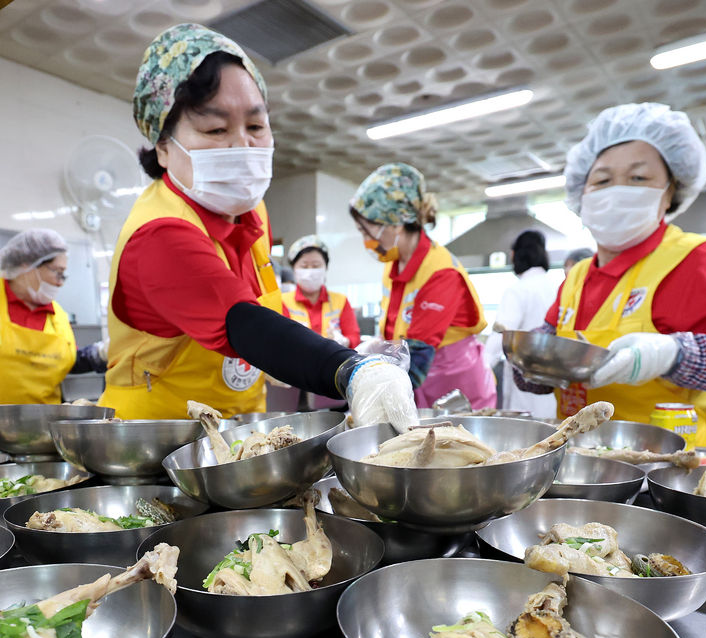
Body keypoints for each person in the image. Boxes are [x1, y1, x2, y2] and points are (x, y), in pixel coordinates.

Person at [98, 23, 415, 431]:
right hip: (156, 441)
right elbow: (242, 321)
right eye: (216, 129)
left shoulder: (252, 212)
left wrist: (312, 352)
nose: (242, 146)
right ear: (162, 147)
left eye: (255, 126)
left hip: (236, 431)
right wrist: (349, 369)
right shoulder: (159, 233)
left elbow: (263, 306)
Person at [513, 102, 706, 445]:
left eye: (638, 178)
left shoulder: (701, 261)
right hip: (578, 460)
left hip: (671, 465)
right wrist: (528, 362)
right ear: (582, 193)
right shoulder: (577, 276)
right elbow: (545, 356)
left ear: (670, 191)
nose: (616, 190)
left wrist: (673, 354)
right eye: (602, 180)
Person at [349, 163, 496, 410]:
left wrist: (362, 380)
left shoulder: (441, 272)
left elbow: (416, 361)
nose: (366, 240)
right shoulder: (393, 264)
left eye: (367, 231)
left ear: (395, 223)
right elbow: (395, 333)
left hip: (458, 397)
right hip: (419, 391)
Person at [0, 229, 107, 405]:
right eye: (57, 272)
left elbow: (64, 362)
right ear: (27, 265)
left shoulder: (58, 316)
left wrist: (99, 354)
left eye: (63, 275)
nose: (60, 282)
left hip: (46, 419)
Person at [491, 230, 557, 419]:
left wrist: (484, 367)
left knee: (524, 432)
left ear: (515, 255)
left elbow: (501, 334)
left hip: (525, 384)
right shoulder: (556, 287)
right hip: (552, 386)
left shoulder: (518, 290)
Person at [283, 235, 360, 349]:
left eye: (316, 266)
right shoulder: (283, 302)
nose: (310, 271)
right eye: (304, 266)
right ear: (294, 269)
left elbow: (355, 338)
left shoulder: (341, 301)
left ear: (326, 268)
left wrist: (344, 341)